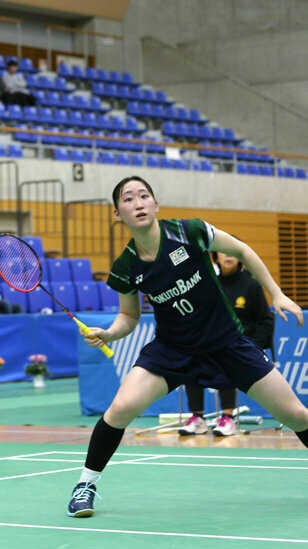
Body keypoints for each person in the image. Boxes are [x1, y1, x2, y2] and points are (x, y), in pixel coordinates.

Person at [67, 176, 308, 519]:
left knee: (296, 415)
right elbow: (129, 317)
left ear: (155, 205)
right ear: (118, 213)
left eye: (144, 195)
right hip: (173, 350)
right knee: (120, 408)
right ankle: (85, 485)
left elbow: (241, 250)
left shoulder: (189, 231)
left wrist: (277, 292)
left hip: (227, 343)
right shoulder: (125, 267)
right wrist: (109, 334)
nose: (137, 202)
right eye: (128, 199)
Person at [179, 246, 276, 436]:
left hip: (241, 344)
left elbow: (265, 319)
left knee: (226, 356)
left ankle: (227, 418)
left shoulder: (251, 285)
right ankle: (197, 417)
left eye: (233, 252)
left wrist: (254, 346)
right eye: (224, 251)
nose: (228, 255)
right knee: (191, 358)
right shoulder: (209, 283)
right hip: (212, 341)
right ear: (216, 257)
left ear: (240, 258)